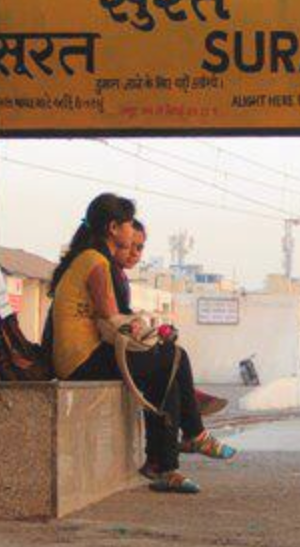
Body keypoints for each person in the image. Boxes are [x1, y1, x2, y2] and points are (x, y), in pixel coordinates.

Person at [50, 193, 234, 495]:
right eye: (126, 225)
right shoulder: (95, 262)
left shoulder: (92, 258)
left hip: (85, 356)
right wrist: (142, 329)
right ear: (113, 228)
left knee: (166, 368)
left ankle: (164, 465)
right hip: (82, 361)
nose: (130, 231)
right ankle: (191, 438)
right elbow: (111, 317)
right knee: (174, 357)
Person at [116, 221, 228, 418]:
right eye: (128, 245)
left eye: (139, 247)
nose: (134, 253)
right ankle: (193, 421)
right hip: (107, 356)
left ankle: (189, 418)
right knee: (175, 356)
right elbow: (115, 320)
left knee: (170, 368)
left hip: (119, 348)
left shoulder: (119, 276)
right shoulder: (105, 271)